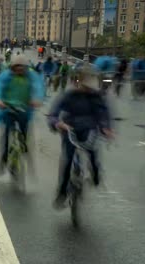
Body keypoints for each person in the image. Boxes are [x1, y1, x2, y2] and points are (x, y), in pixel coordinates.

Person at [48, 65, 113, 208]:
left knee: (93, 155)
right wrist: (57, 123)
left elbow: (103, 114)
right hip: (70, 129)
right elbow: (53, 113)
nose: (86, 88)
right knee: (67, 160)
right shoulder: (68, 95)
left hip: (90, 130)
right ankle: (62, 192)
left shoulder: (96, 97)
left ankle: (96, 176)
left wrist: (106, 128)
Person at [0, 55, 44, 175]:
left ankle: (25, 152)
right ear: (13, 67)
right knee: (6, 135)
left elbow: (38, 86)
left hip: (24, 108)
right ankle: (3, 160)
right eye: (17, 66)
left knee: (25, 133)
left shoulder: (30, 76)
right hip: (8, 108)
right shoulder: (7, 75)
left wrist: (36, 99)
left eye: (22, 66)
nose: (20, 69)